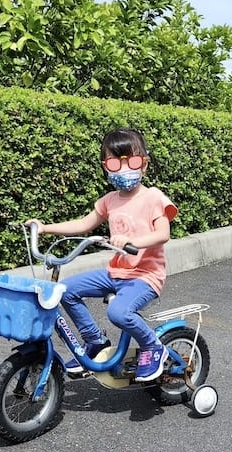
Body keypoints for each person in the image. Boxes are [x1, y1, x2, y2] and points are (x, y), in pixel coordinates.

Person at [26, 128, 177, 382]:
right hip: (116, 272)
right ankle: (94, 340)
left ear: (145, 164)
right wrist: (44, 228)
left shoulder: (153, 197)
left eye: (133, 161)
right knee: (65, 290)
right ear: (106, 167)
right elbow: (83, 224)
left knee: (118, 313)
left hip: (145, 277)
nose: (124, 169)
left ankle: (153, 347)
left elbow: (163, 233)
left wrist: (134, 241)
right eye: (115, 163)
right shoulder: (109, 200)